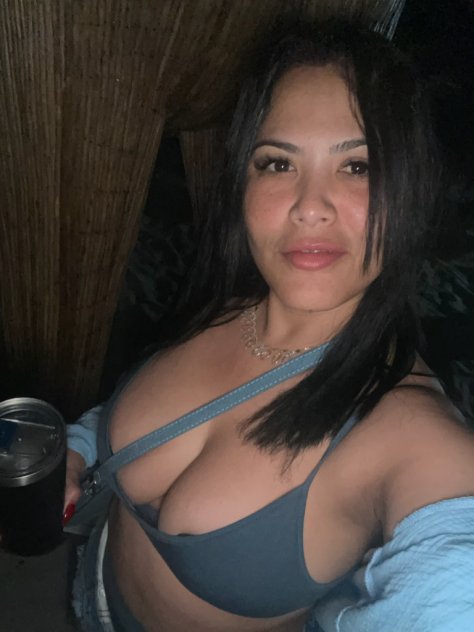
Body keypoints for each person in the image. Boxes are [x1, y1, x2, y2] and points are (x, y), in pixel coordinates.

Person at [64, 20, 474, 632]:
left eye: (358, 166)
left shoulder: (414, 437)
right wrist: (75, 450)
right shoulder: (228, 305)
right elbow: (140, 417)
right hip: (89, 592)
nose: (309, 206)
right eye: (278, 162)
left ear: (410, 189)